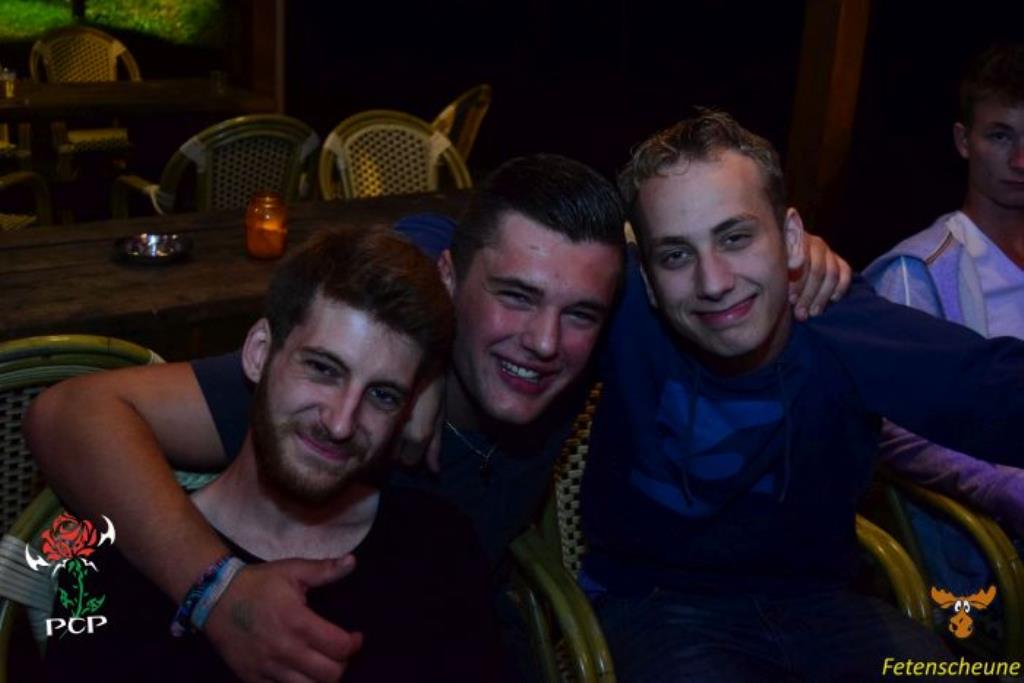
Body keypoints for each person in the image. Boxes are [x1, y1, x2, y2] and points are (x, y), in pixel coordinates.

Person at [26, 154, 848, 682]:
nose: (543, 342)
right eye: (515, 296)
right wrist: (215, 591)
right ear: (451, 281)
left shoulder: (582, 350)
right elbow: (71, 412)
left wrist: (791, 257)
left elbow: (701, 271)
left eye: (579, 314)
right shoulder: (346, 389)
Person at [579, 110, 1024, 681]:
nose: (714, 282)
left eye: (736, 237)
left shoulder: (835, 321)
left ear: (790, 238)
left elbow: (988, 386)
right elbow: (502, 257)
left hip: (824, 605)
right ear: (645, 275)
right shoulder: (619, 309)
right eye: (676, 255)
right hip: (656, 602)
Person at [43, 226, 504, 681]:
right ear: (259, 353)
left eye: (382, 395)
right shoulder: (121, 562)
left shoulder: (437, 551)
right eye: (323, 369)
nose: (341, 423)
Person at [865, 43, 1024, 593]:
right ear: (963, 141)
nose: (1020, 161)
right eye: (1000, 136)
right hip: (983, 562)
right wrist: (1003, 487)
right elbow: (890, 429)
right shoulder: (919, 271)